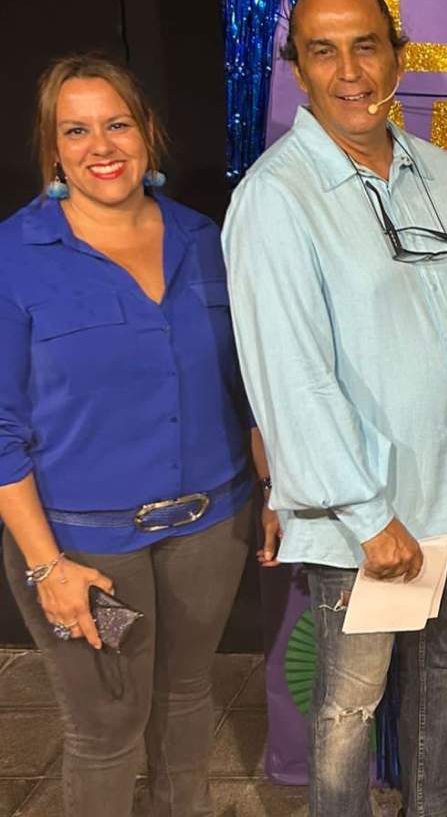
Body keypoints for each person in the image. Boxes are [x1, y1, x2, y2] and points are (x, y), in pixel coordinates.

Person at [222, 0, 447, 817]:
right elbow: (289, 376)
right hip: (368, 516)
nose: (349, 71)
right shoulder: (276, 198)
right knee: (349, 710)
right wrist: (371, 517)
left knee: (439, 691)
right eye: (323, 51)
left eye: (365, 46)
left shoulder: (437, 171)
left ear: (396, 58)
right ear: (299, 69)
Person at [0, 54, 270, 817]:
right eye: (76, 130)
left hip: (212, 526)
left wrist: (274, 490)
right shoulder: (14, 258)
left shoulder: (203, 239)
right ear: (53, 148)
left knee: (186, 701)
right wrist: (46, 565)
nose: (101, 146)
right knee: (107, 728)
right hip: (83, 547)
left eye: (116, 124)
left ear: (147, 132)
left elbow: (249, 385)